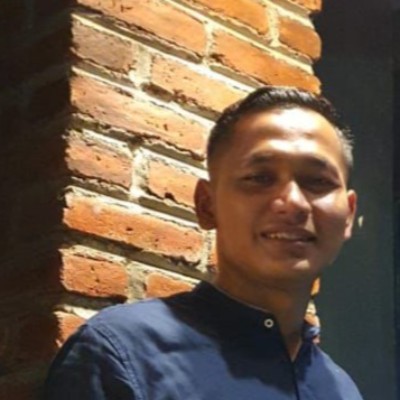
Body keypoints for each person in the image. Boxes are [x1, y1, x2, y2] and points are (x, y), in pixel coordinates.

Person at [43, 86, 363, 399]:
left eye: (318, 181)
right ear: (207, 206)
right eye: (259, 178)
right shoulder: (121, 355)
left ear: (348, 215)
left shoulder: (342, 389)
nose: (292, 202)